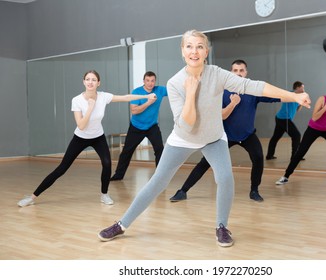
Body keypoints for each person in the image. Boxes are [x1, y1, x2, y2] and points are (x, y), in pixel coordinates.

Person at [98, 29, 311, 247]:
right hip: (183, 138)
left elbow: (252, 86)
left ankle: (222, 226)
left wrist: (293, 95)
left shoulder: (216, 74)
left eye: (199, 46)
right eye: (189, 46)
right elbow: (188, 122)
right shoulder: (174, 83)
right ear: (182, 51)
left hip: (213, 137)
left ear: (206, 51)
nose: (194, 51)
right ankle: (122, 224)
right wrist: (190, 92)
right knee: (157, 183)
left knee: (225, 178)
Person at [17, 70, 156, 207]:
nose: (90, 82)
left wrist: (146, 96)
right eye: (88, 79)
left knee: (107, 163)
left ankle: (104, 194)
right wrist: (90, 107)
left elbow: (125, 97)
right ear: (84, 82)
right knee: (62, 169)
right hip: (80, 138)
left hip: (98, 137)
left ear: (98, 83)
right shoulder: (76, 100)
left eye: (93, 80)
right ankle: (32, 197)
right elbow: (81, 126)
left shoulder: (103, 96)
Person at [169, 59, 279, 203]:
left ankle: (254, 191)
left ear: (246, 72)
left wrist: (295, 96)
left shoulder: (252, 91)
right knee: (205, 162)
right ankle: (183, 191)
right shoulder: (222, 91)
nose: (238, 73)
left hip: (247, 135)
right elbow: (221, 115)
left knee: (258, 158)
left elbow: (275, 96)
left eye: (241, 70)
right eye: (235, 71)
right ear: (231, 72)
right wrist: (233, 103)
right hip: (225, 135)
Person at [110, 71, 167, 181]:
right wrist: (148, 102)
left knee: (159, 149)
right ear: (143, 81)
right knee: (127, 151)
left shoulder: (160, 90)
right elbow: (134, 111)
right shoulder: (137, 92)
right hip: (136, 127)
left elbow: (175, 89)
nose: (150, 83)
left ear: (155, 81)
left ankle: (160, 176)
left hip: (152, 126)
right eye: (147, 80)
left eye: (152, 81)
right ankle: (118, 175)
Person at [266, 81, 304, 160]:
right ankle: (295, 157)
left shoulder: (299, 96)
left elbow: (297, 109)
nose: (303, 89)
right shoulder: (289, 94)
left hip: (281, 118)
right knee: (297, 135)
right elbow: (289, 97)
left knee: (275, 138)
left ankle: (269, 156)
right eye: (302, 88)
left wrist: (302, 103)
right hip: (283, 119)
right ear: (297, 88)